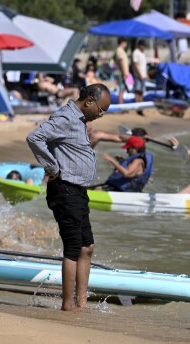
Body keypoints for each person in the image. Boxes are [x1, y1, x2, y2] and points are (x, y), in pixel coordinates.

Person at [26, 83, 111, 311]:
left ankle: (81, 302)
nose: (102, 115)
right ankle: (68, 305)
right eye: (102, 110)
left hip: (77, 191)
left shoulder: (80, 119)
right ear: (89, 101)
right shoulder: (66, 117)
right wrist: (52, 167)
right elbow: (35, 137)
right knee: (73, 248)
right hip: (65, 189)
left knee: (87, 247)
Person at [132, 40, 148, 113]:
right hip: (138, 75)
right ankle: (137, 108)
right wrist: (139, 74)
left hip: (143, 75)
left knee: (141, 92)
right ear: (139, 45)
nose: (144, 47)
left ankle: (141, 108)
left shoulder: (143, 53)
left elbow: (144, 65)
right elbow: (135, 64)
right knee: (137, 92)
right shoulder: (136, 52)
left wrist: (146, 74)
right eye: (143, 45)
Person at [114, 37, 131, 104]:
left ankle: (122, 105)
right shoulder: (119, 50)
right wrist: (124, 73)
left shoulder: (121, 50)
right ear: (123, 42)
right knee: (121, 90)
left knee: (123, 89)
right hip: (121, 73)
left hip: (123, 73)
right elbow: (121, 62)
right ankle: (121, 107)